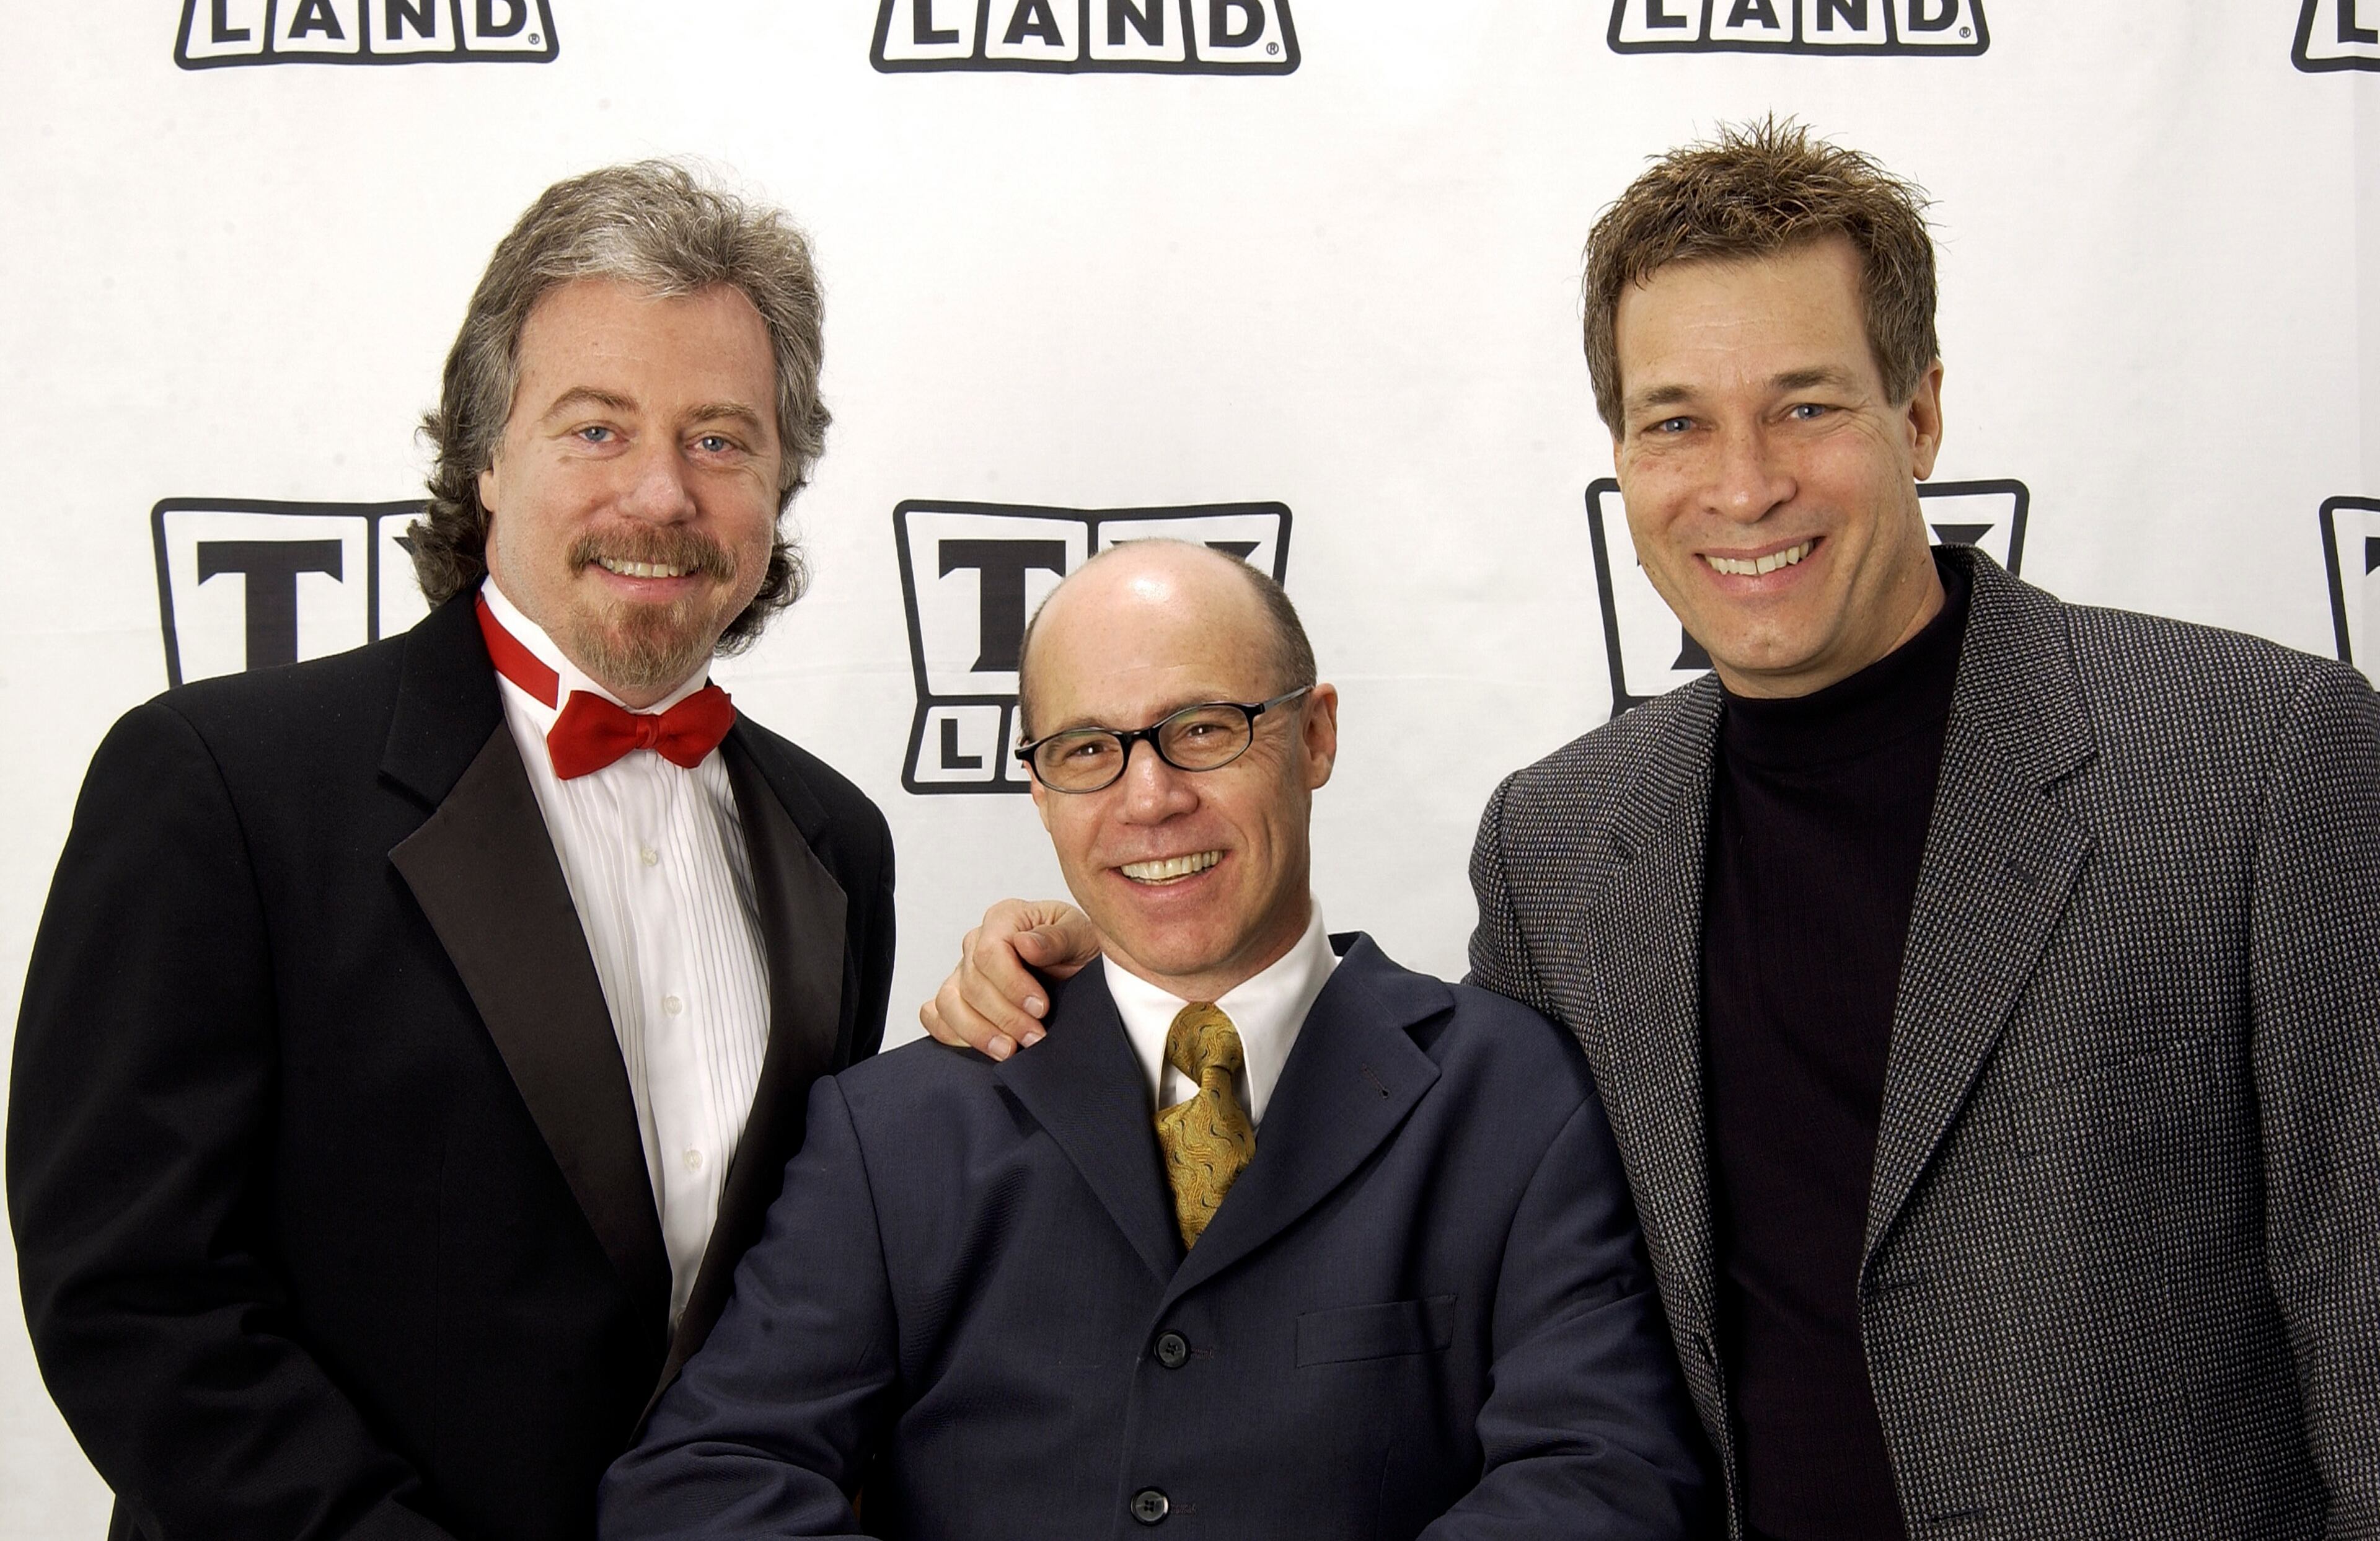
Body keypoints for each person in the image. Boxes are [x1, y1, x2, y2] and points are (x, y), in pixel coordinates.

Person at [920, 120, 2380, 1539]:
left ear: (1921, 413)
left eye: (1806, 406)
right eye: (1677, 422)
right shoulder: (1559, 840)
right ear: (1621, 453)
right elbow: (1423, 1179)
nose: (1743, 485)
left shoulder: (2258, 761)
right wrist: (1120, 976)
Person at [9, 161, 896, 1541]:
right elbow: (132, 1290)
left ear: (781, 480)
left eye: (721, 439)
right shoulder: (219, 785)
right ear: (485, 459)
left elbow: (807, 1303)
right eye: (595, 428)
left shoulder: (839, 841)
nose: (661, 493)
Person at [601, 539, 1708, 1540]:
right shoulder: (894, 1131)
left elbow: (1604, 1472)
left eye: (1204, 728)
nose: (1150, 798)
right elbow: (704, 1481)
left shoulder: (1514, 1095)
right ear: (1039, 789)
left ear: (1314, 735)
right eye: (1088, 748)